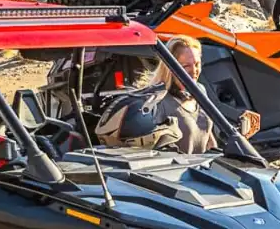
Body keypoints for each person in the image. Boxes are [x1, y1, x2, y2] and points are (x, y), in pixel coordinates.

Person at [96, 35, 260, 151]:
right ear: (169, 66)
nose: (194, 71)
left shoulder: (200, 92)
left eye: (197, 64)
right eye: (186, 66)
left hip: (203, 175)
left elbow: (208, 138)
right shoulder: (157, 103)